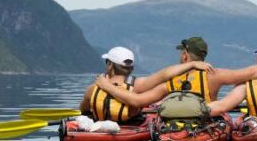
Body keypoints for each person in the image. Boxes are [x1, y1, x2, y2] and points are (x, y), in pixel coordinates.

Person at [94, 36, 257, 109]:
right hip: (205, 127)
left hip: (175, 129)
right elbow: (251, 72)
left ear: (185, 56)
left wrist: (106, 86)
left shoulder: (172, 78)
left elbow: (137, 98)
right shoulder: (215, 74)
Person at [79, 46, 213, 123]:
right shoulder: (137, 86)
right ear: (131, 68)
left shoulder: (92, 89)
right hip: (130, 132)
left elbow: (84, 110)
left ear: (109, 65)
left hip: (98, 130)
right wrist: (193, 64)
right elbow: (163, 74)